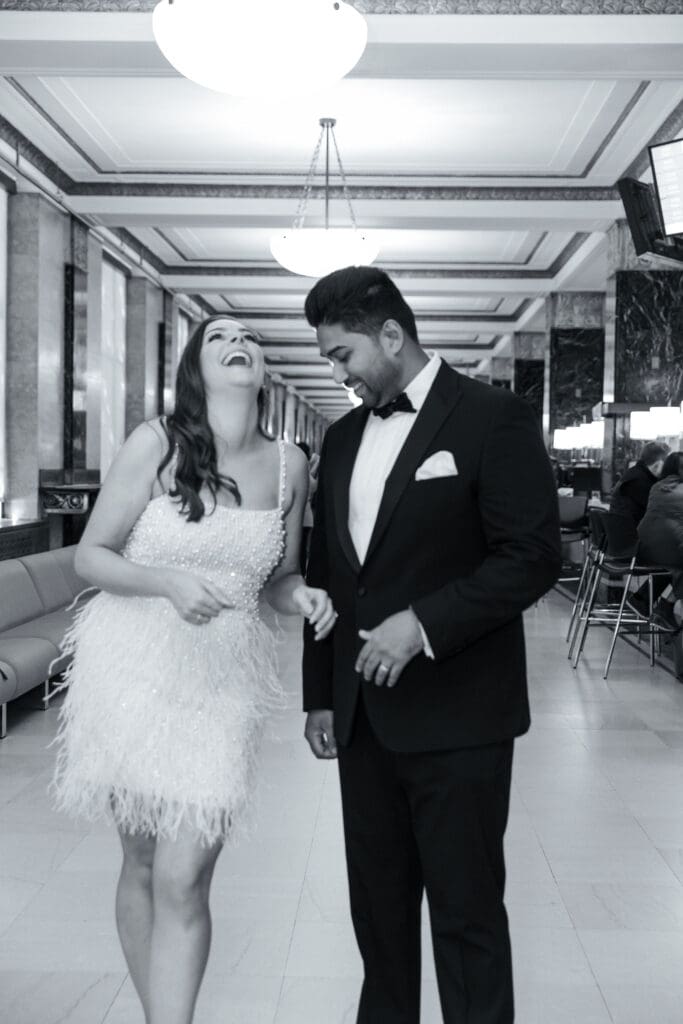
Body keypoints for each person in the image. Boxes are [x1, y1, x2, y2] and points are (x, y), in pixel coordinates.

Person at [51, 315, 336, 1024]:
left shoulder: (290, 464)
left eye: (249, 338)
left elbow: (279, 576)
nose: (238, 343)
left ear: (263, 367)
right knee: (145, 861)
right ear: (195, 367)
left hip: (224, 679)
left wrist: (301, 594)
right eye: (218, 337)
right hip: (134, 666)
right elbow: (90, 556)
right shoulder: (155, 443)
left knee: (185, 873)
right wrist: (166, 582)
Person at [301, 266, 562, 1024]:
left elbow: (530, 557)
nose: (339, 374)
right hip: (361, 721)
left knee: (466, 915)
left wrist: (422, 624)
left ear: (391, 335)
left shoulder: (493, 417)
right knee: (378, 919)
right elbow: (327, 576)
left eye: (343, 355)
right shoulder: (341, 438)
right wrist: (320, 696)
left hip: (460, 718)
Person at [637, 450, 683, 632]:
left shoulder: (656, 487)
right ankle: (666, 605)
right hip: (667, 552)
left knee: (675, 567)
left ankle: (644, 598)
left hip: (643, 549)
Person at [609, 440, 670, 527]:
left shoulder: (633, 473)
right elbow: (659, 511)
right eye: (667, 462)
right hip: (632, 532)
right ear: (658, 463)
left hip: (620, 530)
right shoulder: (640, 481)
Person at [296, 439, 320, 575]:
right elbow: (313, 486)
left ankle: (300, 570)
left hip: (302, 516)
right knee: (302, 547)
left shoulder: (299, 471)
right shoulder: (304, 472)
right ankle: (301, 571)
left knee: (299, 547)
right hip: (306, 516)